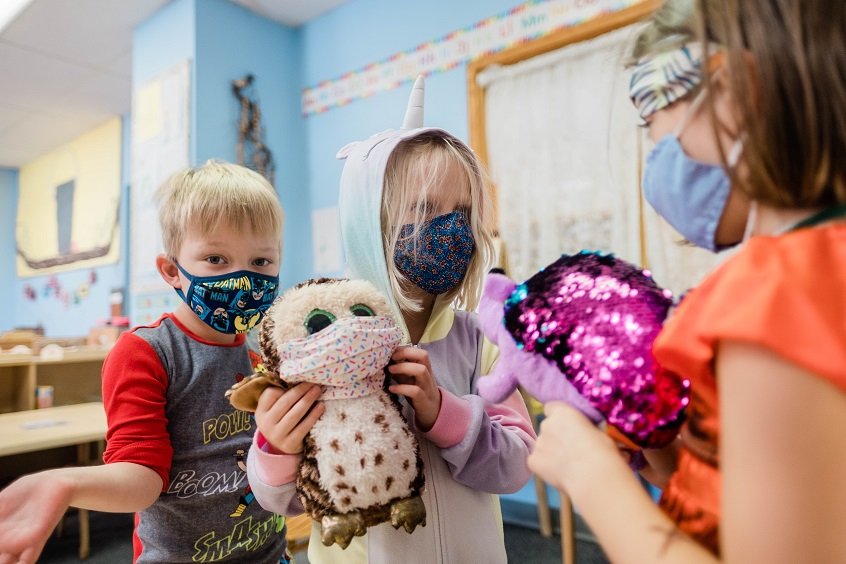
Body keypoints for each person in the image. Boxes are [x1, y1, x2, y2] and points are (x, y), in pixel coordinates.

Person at [528, 0, 846, 562]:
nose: (656, 154)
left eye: (653, 122)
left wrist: (590, 473)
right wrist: (676, 456)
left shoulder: (778, 295)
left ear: (738, 91)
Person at [245, 76, 537, 564]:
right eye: (424, 209)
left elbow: (515, 466)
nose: (449, 227)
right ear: (369, 220)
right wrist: (276, 445)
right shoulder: (322, 339)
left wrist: (442, 412)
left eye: (463, 212)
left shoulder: (480, 339)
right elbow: (284, 500)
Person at [0, 161, 295, 563]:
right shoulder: (147, 352)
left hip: (271, 553)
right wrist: (65, 482)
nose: (242, 278)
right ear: (172, 270)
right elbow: (142, 476)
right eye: (215, 259)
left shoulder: (264, 350)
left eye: (261, 262)